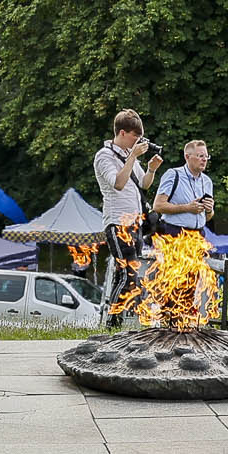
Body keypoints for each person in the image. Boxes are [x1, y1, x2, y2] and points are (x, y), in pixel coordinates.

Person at [94, 110, 162, 319]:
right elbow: (118, 183)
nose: (137, 142)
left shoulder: (127, 156)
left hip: (135, 223)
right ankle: (111, 322)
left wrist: (151, 169)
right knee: (128, 274)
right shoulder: (104, 155)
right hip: (117, 223)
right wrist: (133, 156)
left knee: (124, 276)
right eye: (135, 136)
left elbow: (143, 184)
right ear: (122, 133)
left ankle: (114, 322)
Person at [153, 139, 215, 235]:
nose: (204, 159)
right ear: (187, 157)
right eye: (200, 156)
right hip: (174, 234)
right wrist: (187, 208)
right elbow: (158, 206)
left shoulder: (207, 181)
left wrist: (209, 210)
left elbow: (207, 217)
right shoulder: (173, 175)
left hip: (198, 235)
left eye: (207, 156)